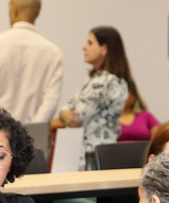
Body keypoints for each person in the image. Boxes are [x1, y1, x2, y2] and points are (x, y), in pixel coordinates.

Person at [0, 0, 65, 127]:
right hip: (34, 137)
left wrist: (6, 122)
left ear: (14, 10)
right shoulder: (53, 52)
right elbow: (50, 101)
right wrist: (31, 128)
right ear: (37, 13)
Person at [54, 25, 136, 168]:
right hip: (82, 156)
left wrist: (66, 114)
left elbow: (77, 116)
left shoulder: (111, 82)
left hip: (97, 159)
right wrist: (64, 113)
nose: (84, 47)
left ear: (104, 49)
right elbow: (68, 106)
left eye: (90, 43)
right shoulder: (92, 79)